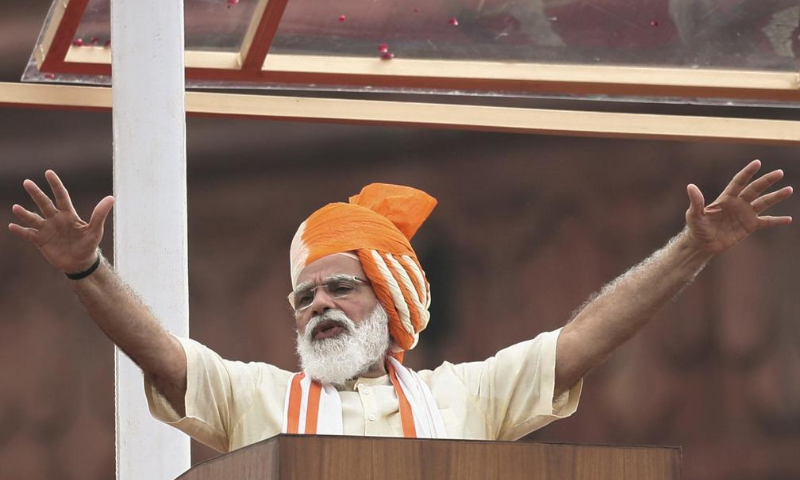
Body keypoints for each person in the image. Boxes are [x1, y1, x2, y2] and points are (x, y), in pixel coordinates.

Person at [8, 161, 793, 453]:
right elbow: (161, 355)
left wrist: (691, 249)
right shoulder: (257, 399)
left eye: (339, 287)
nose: (319, 304)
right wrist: (87, 269)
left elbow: (585, 339)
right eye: (304, 295)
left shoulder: (464, 398)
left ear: (388, 300)